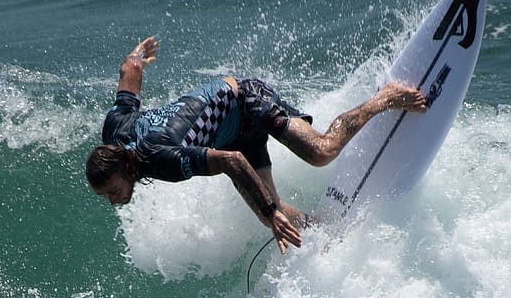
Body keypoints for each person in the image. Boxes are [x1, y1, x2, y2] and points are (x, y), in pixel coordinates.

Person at [86, 37, 427, 254]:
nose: (112, 200)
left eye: (113, 191)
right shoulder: (115, 131)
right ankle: (325, 232)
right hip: (231, 133)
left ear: (126, 169)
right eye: (106, 196)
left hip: (245, 99)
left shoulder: (161, 161)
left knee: (320, 152)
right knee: (272, 208)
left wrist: (269, 213)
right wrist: (137, 57)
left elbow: (231, 162)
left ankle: (383, 98)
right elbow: (129, 75)